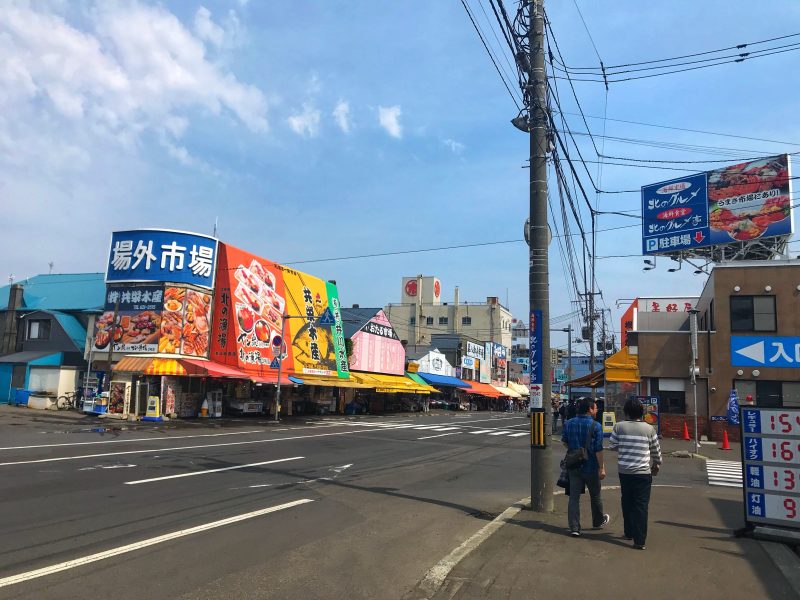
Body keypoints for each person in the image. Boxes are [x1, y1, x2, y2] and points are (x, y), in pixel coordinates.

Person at [608, 397, 662, 550]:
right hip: (643, 473)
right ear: (642, 412)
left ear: (626, 412)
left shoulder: (619, 426)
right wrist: (656, 465)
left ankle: (628, 532)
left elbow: (612, 446)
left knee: (627, 501)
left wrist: (625, 446)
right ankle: (640, 540)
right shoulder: (649, 429)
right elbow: (656, 451)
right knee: (641, 505)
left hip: (624, 472)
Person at [562, 397, 609, 537]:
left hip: (574, 465)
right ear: (589, 409)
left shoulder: (568, 423)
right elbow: (598, 450)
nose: (597, 409)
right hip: (591, 466)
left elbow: (564, 442)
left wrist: (574, 450)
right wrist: (602, 467)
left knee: (574, 498)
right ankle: (597, 521)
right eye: (595, 407)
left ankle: (575, 528)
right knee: (595, 495)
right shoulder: (596, 426)